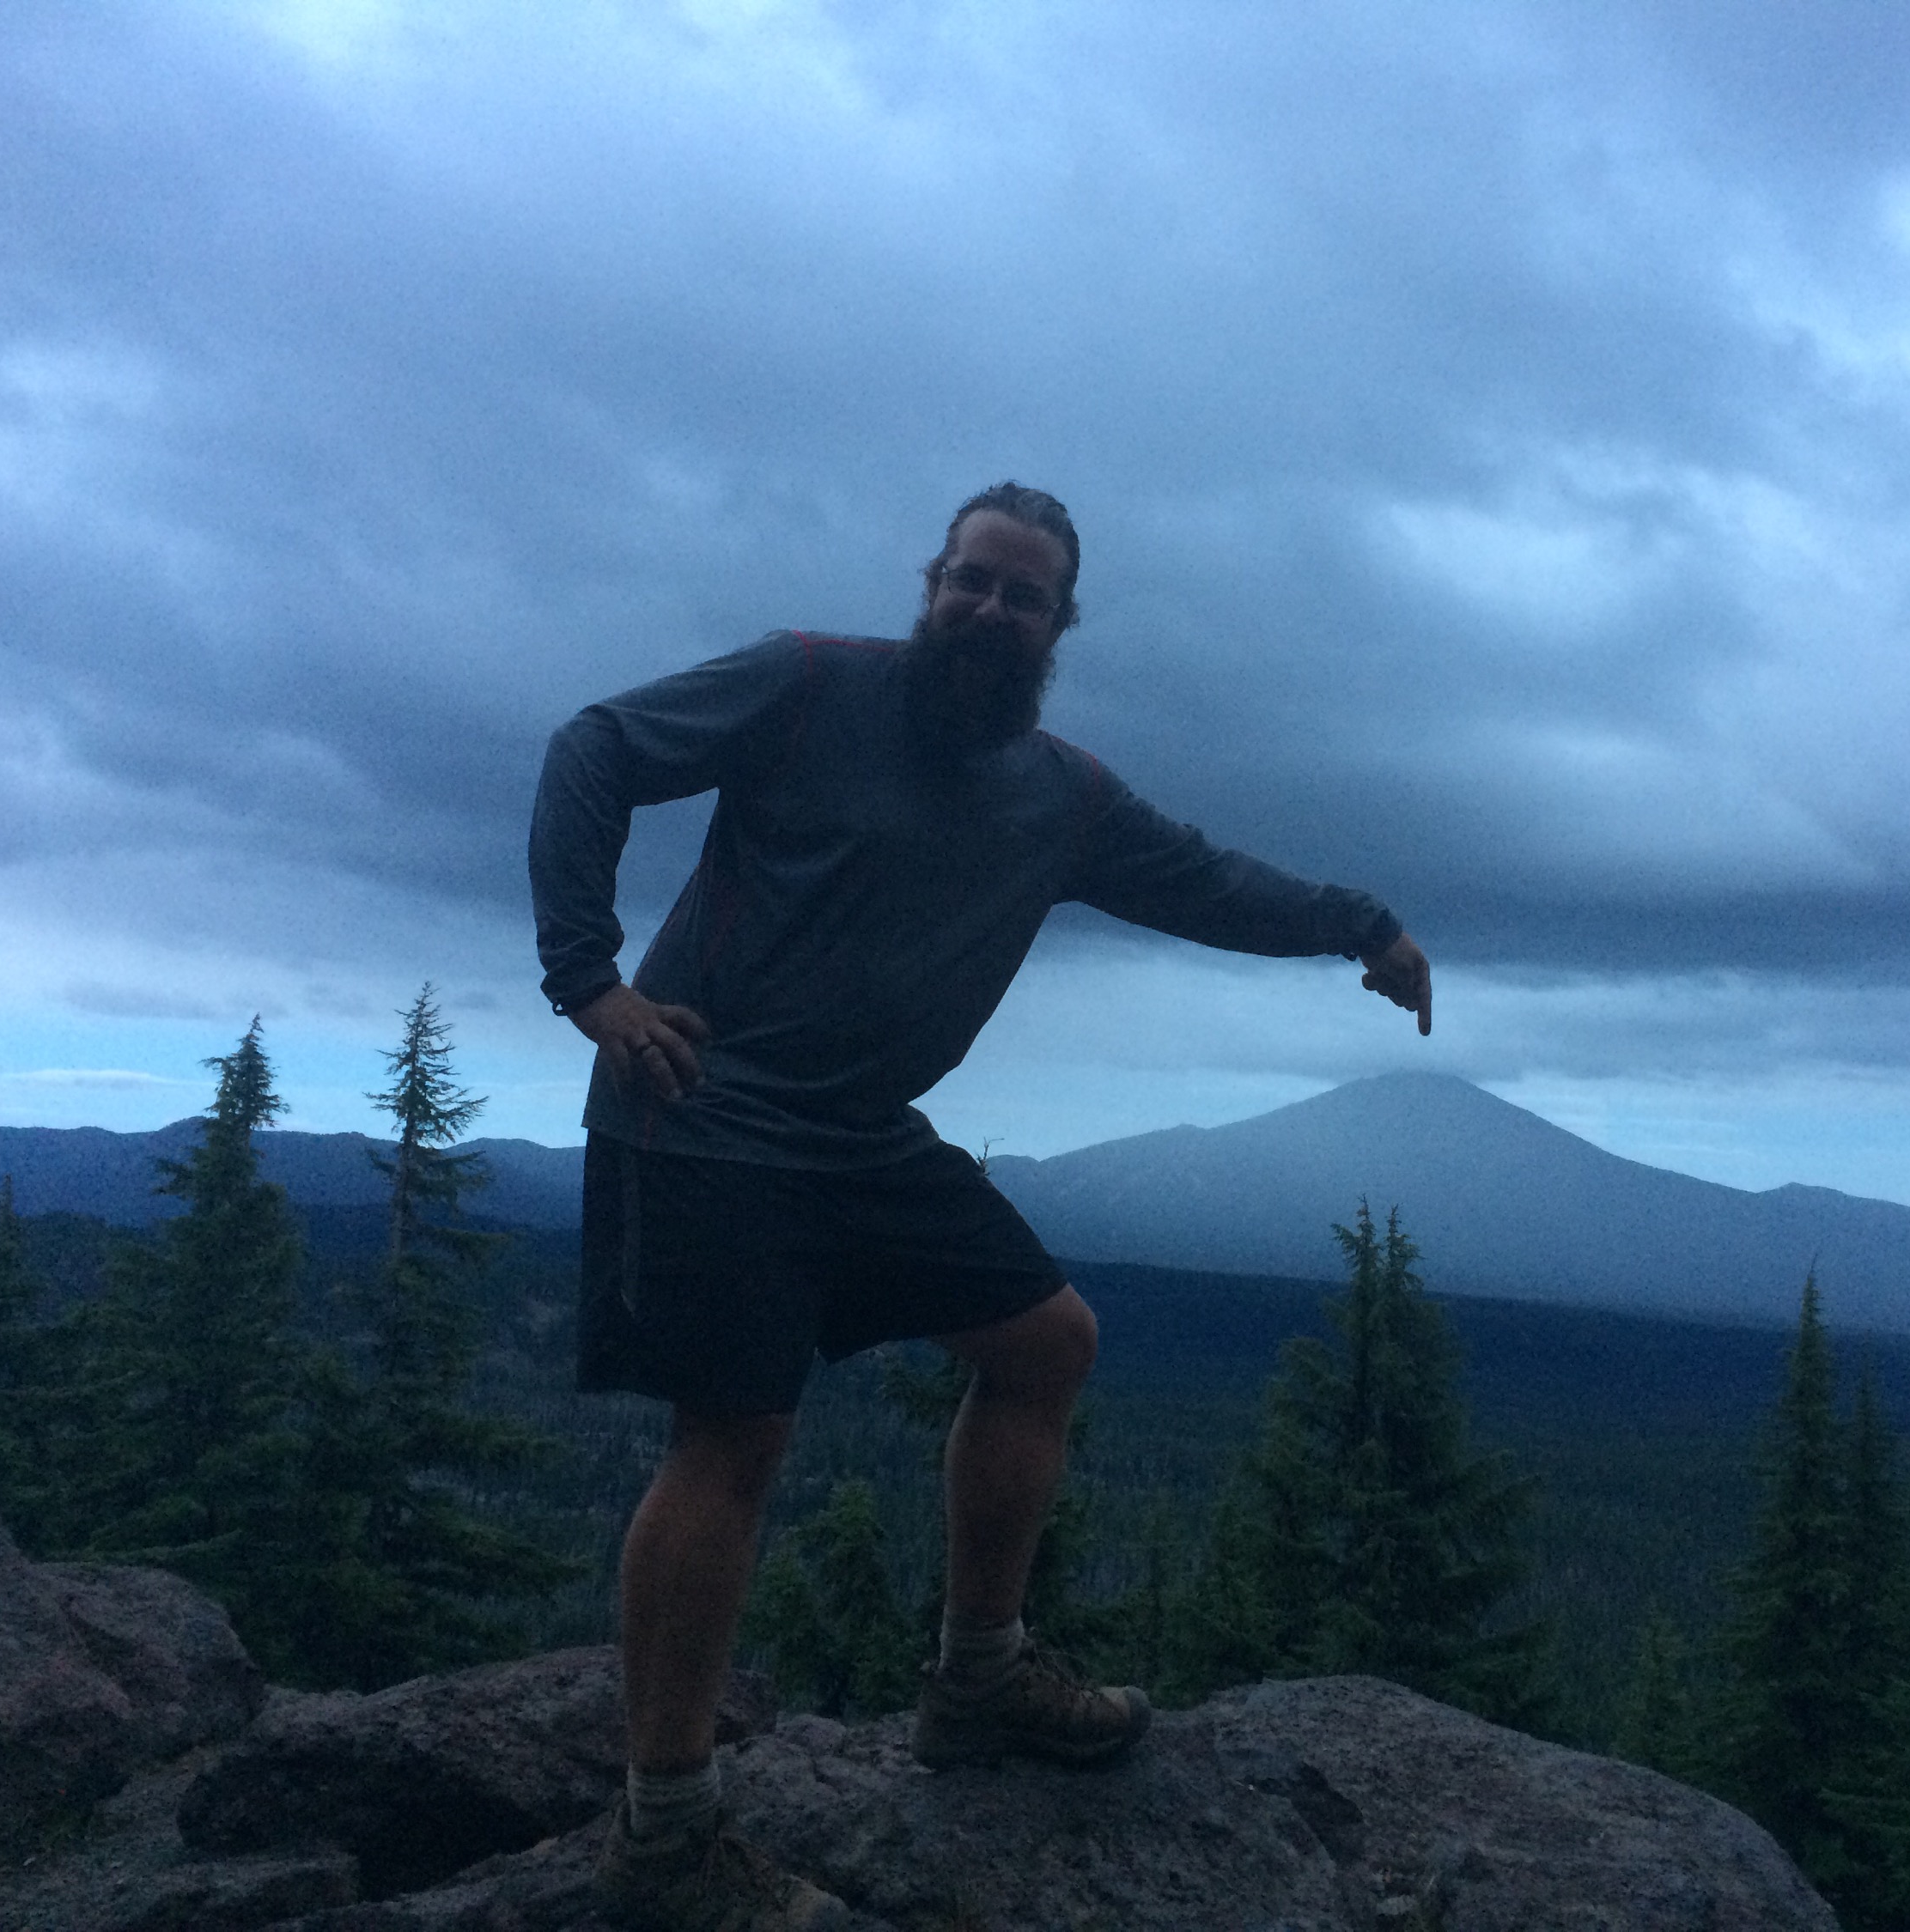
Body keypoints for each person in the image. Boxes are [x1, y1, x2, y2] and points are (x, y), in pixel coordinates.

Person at [530, 482, 1432, 1931]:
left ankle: (978, 1679)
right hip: (704, 1111)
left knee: (1046, 1341)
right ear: (931, 582)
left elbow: (1207, 880)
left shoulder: (1062, 796)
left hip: (860, 1136)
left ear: (1060, 626)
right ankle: (667, 1838)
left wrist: (1361, 924)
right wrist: (591, 980)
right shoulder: (805, 684)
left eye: (1023, 596)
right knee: (735, 1437)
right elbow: (595, 746)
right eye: (971, 580)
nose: (989, 609)